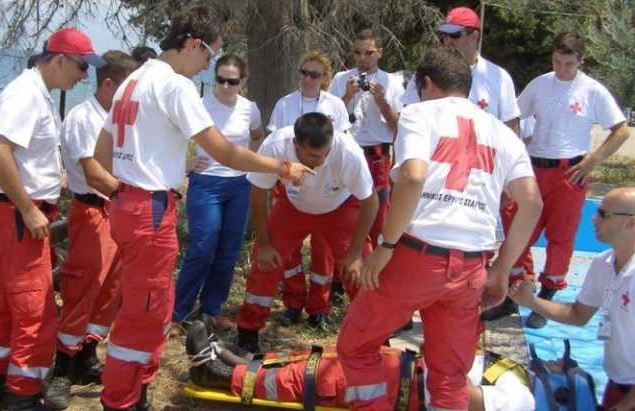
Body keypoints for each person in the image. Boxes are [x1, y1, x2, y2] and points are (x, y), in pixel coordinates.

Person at [84, 7, 312, 411]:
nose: (208, 67)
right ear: (193, 44)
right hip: (150, 208)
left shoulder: (132, 81)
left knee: (149, 307)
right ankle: (121, 400)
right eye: (209, 57)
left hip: (127, 204)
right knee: (144, 312)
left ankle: (134, 391)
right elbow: (222, 149)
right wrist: (281, 167)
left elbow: (100, 156)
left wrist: (127, 189)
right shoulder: (174, 85)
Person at [336, 46, 542, 411]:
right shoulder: (501, 132)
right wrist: (501, 269)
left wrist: (385, 248)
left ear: (426, 83)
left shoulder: (419, 114)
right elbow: (532, 202)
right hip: (471, 269)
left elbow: (414, 176)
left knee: (356, 345)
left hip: (417, 256)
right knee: (448, 376)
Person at [0, 28, 106, 411]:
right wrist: (29, 208)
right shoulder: (24, 94)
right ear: (60, 60)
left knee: (7, 305)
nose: (84, 76)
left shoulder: (38, 94)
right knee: (36, 310)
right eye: (82, 67)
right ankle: (25, 397)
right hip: (15, 214)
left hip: (13, 212)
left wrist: (52, 179)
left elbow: (23, 156)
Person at [508, 32, 630, 329]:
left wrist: (593, 160)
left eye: (568, 64)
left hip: (571, 170)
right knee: (520, 226)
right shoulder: (539, 84)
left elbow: (621, 130)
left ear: (580, 61)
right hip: (535, 166)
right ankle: (516, 289)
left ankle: (548, 294)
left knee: (561, 235)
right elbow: (512, 116)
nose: (561, 68)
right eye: (557, 61)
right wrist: (517, 146)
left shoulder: (592, 90)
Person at [235, 112, 378, 353]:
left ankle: (374, 339)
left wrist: (354, 252)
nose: (320, 162)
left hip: (340, 208)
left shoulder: (348, 153)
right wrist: (265, 243)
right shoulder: (276, 145)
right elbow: (258, 193)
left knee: (361, 271)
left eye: (324, 155)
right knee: (265, 263)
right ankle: (247, 333)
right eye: (312, 156)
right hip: (294, 208)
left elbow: (370, 201)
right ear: (295, 145)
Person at [44, 51, 138, 410]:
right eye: (127, 88)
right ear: (109, 84)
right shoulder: (85, 118)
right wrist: (130, 194)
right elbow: (94, 171)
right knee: (83, 288)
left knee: (110, 290)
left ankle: (86, 356)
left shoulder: (119, 115)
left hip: (116, 209)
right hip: (94, 210)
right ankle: (64, 367)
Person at [187, 318, 535, 411]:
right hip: (403, 370)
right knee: (319, 359)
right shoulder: (502, 370)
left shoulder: (520, 400)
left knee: (313, 380)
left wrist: (442, 353)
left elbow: (450, 397)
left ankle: (215, 373)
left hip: (399, 391)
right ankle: (238, 359)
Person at [509, 187, 635, 411]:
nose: (594, 218)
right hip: (618, 385)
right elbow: (578, 314)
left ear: (631, 223)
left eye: (604, 214)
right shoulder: (602, 263)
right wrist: (530, 302)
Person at [172, 54, 264, 331]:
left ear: (241, 82)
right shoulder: (200, 105)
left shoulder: (250, 108)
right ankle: (177, 312)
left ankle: (211, 309)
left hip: (238, 184)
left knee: (228, 250)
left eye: (232, 81)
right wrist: (186, 164)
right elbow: (173, 136)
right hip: (206, 182)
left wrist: (250, 163)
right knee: (203, 246)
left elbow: (258, 135)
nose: (225, 86)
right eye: (220, 79)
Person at [268, 50, 352, 327]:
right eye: (304, 72)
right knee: (288, 250)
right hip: (291, 184)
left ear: (324, 78)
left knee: (323, 250)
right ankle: (293, 302)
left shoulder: (336, 105)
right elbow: (275, 145)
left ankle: (319, 308)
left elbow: (342, 145)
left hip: (327, 187)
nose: (308, 79)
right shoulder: (285, 104)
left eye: (315, 74)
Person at [329, 28, 405, 244]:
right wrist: (346, 96)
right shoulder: (341, 78)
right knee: (342, 212)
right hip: (346, 153)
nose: (362, 58)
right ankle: (341, 272)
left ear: (379, 52)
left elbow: (397, 127)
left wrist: (382, 102)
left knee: (377, 214)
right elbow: (327, 120)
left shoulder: (391, 82)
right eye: (357, 53)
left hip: (376, 155)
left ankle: (371, 270)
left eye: (369, 53)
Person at [401, 6, 520, 134]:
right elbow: (407, 119)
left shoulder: (499, 77)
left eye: (454, 35)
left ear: (474, 35)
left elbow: (510, 127)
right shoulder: (426, 72)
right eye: (445, 35)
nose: (448, 41)